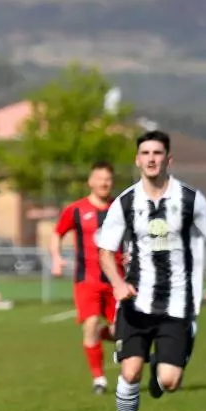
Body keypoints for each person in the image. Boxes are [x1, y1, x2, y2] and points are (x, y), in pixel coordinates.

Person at [97, 130, 206, 411]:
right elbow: (105, 250)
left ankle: (164, 361)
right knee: (130, 371)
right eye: (145, 153)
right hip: (135, 301)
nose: (151, 159)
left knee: (169, 382)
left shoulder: (189, 198)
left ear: (168, 159)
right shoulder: (125, 202)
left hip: (176, 303)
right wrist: (117, 282)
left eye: (157, 153)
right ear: (137, 159)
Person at [49, 161, 122, 394]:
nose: (104, 183)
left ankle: (99, 335)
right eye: (100, 178)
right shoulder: (76, 209)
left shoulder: (120, 208)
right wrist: (56, 258)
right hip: (87, 280)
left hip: (116, 281)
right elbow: (57, 233)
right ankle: (99, 379)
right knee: (90, 322)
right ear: (90, 181)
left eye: (108, 179)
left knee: (122, 332)